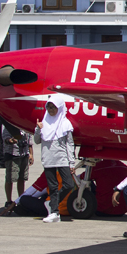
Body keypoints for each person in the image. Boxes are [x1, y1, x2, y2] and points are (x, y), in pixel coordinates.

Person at [33, 94, 75, 223]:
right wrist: (37, 129)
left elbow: (70, 143)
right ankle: (55, 213)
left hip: (62, 158)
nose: (51, 110)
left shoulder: (65, 123)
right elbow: (37, 141)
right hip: (48, 158)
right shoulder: (43, 123)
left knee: (69, 184)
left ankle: (52, 204)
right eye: (49, 107)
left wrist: (71, 161)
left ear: (60, 108)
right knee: (52, 186)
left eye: (53, 107)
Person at [0, 120, 32, 215]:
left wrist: (31, 154)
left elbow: (29, 141)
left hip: (24, 154)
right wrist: (10, 140)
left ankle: (20, 199)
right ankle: (8, 200)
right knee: (10, 178)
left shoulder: (25, 125)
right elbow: (5, 138)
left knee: (22, 178)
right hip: (12, 155)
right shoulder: (10, 126)